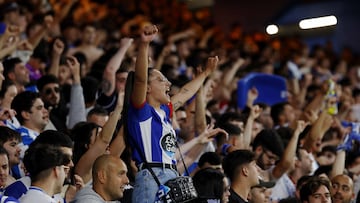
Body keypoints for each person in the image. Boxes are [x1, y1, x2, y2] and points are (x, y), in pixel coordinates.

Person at [125, 24, 221, 203]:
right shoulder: (141, 111)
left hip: (171, 174)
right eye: (161, 80)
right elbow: (139, 79)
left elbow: (185, 93)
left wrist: (206, 73)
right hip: (151, 176)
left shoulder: (164, 112)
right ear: (147, 88)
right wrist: (144, 45)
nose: (168, 84)